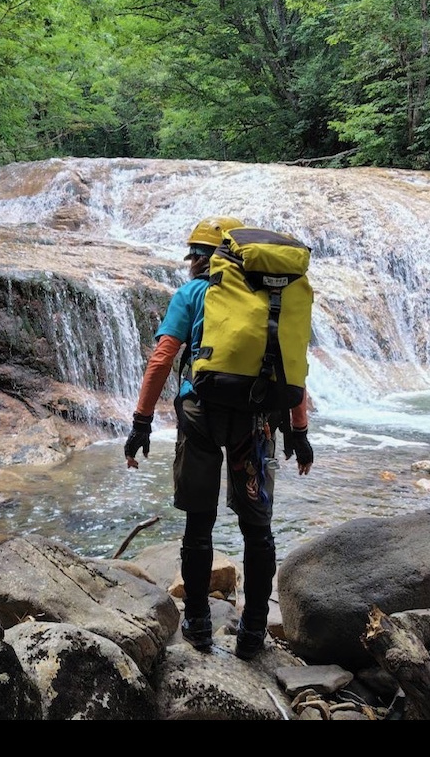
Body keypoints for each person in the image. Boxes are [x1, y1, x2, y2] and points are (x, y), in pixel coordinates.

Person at [124, 215, 314, 660]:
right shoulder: (273, 297)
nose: (191, 262)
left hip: (201, 414)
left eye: (193, 254)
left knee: (199, 522)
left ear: (201, 258)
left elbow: (162, 359)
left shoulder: (192, 294)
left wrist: (141, 422)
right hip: (257, 419)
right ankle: (253, 632)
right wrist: (299, 431)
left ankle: (198, 624)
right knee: (258, 528)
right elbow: (293, 367)